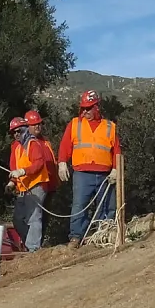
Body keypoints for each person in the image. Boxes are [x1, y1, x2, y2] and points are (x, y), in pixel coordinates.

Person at [57, 90, 120, 248]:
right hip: (82, 173)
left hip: (105, 174)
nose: (85, 111)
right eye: (83, 108)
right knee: (79, 205)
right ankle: (76, 237)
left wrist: (116, 169)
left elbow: (117, 150)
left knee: (106, 206)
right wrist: (62, 162)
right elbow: (65, 144)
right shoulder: (75, 124)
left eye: (89, 108)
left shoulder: (110, 127)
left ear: (97, 107)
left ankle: (104, 234)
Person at [8, 112, 56, 252]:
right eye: (14, 132)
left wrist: (23, 172)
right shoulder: (17, 147)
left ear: (25, 129)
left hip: (37, 185)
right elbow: (14, 167)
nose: (17, 134)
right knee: (20, 219)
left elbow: (39, 163)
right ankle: (32, 245)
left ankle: (33, 248)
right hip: (25, 187)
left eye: (19, 131)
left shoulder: (33, 144)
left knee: (34, 217)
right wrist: (12, 182)